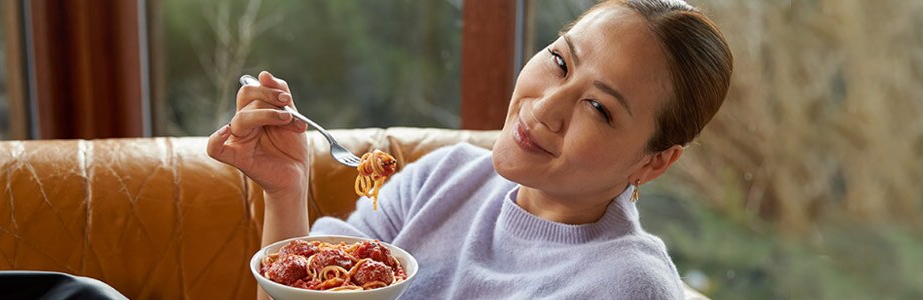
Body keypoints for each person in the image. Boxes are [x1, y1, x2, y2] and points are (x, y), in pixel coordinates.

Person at [207, 0, 732, 298]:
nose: (546, 107)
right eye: (560, 61)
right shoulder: (441, 179)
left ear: (655, 160)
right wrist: (285, 190)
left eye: (599, 108)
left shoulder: (625, 285)